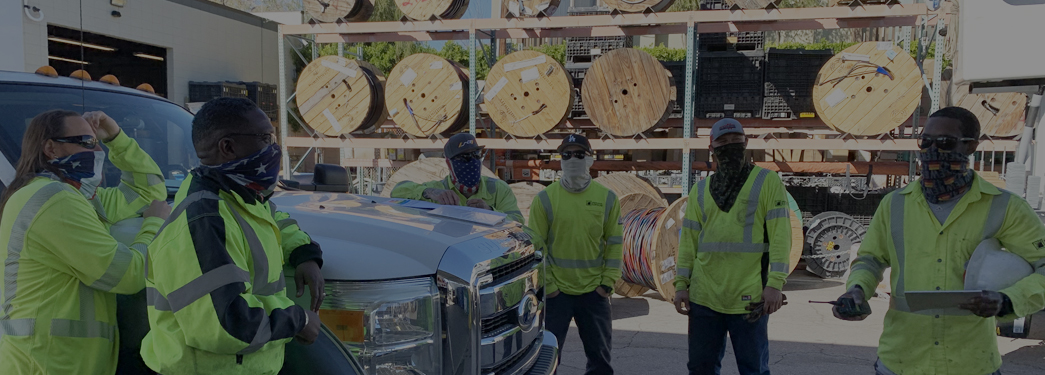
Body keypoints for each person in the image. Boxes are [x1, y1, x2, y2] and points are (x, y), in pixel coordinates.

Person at [835, 107, 1045, 375]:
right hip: (901, 361)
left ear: (971, 146)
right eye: (926, 142)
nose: (932, 150)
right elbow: (870, 259)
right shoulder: (895, 205)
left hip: (970, 363)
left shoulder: (1005, 207)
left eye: (945, 142)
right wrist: (856, 290)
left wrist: (1007, 300)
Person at [141, 98, 324, 375]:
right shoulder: (205, 218)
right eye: (266, 138)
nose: (274, 148)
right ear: (228, 147)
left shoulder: (236, 193)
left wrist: (303, 253)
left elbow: (270, 217)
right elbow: (227, 323)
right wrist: (298, 320)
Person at [0, 109, 170, 374]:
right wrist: (154, 225)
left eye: (98, 142)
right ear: (50, 148)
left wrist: (116, 137)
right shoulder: (55, 200)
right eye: (87, 142)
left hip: (65, 360)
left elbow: (148, 190)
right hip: (50, 363)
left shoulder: (79, 198)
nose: (97, 151)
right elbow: (127, 275)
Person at [674, 118, 791, 375]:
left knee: (753, 369)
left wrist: (775, 283)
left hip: (749, 298)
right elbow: (688, 242)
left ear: (746, 142)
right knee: (701, 368)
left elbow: (781, 235)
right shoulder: (701, 190)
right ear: (712, 147)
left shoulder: (766, 181)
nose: (730, 146)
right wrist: (681, 285)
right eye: (723, 142)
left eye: (735, 140)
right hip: (704, 297)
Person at [529, 133, 623, 375]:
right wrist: (549, 288)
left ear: (590, 160)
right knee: (546, 360)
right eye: (566, 155)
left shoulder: (608, 199)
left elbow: (614, 243)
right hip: (557, 294)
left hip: (594, 293)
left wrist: (606, 284)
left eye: (579, 154)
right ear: (560, 160)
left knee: (600, 361)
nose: (572, 159)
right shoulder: (545, 200)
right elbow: (537, 249)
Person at [390, 132, 524, 223]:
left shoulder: (498, 189)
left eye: (476, 155)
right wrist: (429, 192)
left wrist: (490, 212)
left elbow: (518, 222)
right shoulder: (438, 190)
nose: (472, 162)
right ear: (449, 163)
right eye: (464, 158)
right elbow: (396, 192)